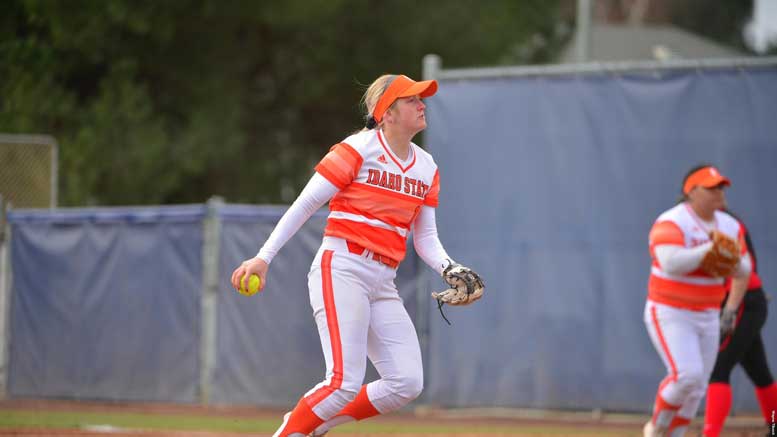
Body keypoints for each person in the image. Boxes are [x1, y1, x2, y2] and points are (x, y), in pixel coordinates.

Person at [231, 74, 480, 437]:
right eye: (411, 99)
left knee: (406, 381)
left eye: (421, 98)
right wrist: (263, 257)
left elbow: (425, 237)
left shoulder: (426, 167)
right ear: (387, 113)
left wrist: (449, 268)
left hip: (383, 280)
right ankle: (292, 430)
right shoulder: (358, 149)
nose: (421, 104)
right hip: (343, 268)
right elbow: (305, 205)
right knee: (343, 382)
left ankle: (313, 424)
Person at [643, 164, 752, 437]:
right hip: (671, 310)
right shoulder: (672, 221)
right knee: (687, 376)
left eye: (721, 187)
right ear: (691, 192)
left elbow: (745, 269)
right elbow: (671, 263)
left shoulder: (729, 225)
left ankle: (675, 434)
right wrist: (709, 251)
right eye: (711, 188)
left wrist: (729, 261)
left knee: (698, 387)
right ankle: (657, 427)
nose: (719, 193)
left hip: (708, 312)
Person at [702, 213, 777, 437]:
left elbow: (744, 270)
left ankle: (710, 434)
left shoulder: (724, 224)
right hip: (746, 302)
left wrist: (730, 311)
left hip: (742, 303)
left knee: (718, 369)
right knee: (760, 373)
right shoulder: (705, 225)